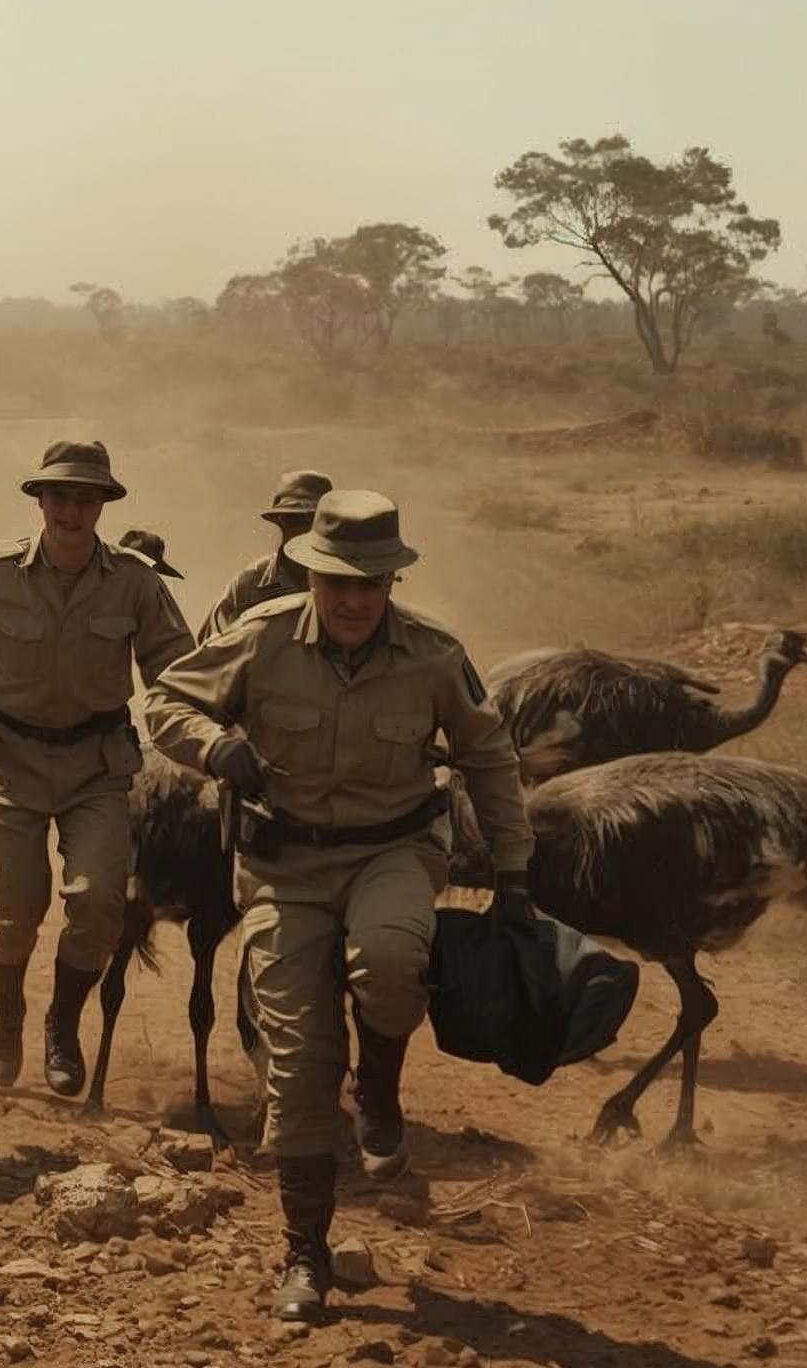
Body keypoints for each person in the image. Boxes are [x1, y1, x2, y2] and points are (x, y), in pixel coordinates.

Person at [142, 490, 532, 1321]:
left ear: (392, 582)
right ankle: (305, 1252)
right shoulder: (263, 635)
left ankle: (380, 1091)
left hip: (392, 849)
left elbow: (489, 755)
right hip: (283, 867)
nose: (354, 600)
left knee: (388, 960)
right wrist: (217, 746)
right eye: (338, 583)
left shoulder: (433, 653)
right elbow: (165, 702)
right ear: (312, 576)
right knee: (295, 1061)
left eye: (371, 584)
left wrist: (515, 870)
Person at [0, 440, 195, 1097]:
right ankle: (8, 1016)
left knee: (98, 900)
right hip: (9, 763)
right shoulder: (0, 572)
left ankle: (62, 1023)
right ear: (40, 501)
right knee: (17, 904)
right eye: (60, 497)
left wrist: (195, 724)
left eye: (85, 500)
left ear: (102, 506)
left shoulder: (134, 581)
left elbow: (180, 672)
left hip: (98, 767)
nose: (71, 511)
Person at [199, 469, 335, 639]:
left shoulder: (347, 583)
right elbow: (212, 645)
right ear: (279, 521)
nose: (301, 530)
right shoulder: (249, 585)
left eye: (310, 520)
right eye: (292, 520)